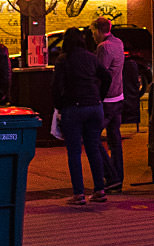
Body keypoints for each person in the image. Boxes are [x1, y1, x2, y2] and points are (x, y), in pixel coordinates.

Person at [52, 27, 110, 206]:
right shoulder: (91, 58)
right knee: (93, 147)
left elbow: (55, 87)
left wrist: (60, 106)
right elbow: (107, 76)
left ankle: (79, 193)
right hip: (94, 107)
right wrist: (99, 96)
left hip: (74, 108)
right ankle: (99, 189)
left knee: (74, 152)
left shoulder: (63, 60)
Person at [90, 17, 124, 193]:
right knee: (115, 139)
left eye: (92, 32)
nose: (92, 36)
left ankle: (111, 177)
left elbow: (100, 73)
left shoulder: (103, 48)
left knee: (93, 137)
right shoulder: (118, 43)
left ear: (97, 30)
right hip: (119, 96)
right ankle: (119, 176)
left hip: (106, 100)